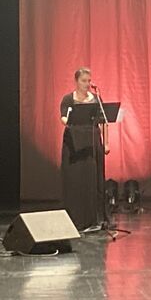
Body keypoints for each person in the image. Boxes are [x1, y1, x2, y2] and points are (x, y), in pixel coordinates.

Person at [59, 67, 110, 231]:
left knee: (93, 179)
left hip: (92, 142)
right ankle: (74, 218)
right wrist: (68, 118)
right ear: (76, 81)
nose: (87, 84)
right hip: (74, 142)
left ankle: (93, 219)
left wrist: (106, 143)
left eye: (89, 80)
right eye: (83, 81)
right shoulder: (68, 99)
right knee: (75, 180)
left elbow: (104, 122)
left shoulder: (96, 99)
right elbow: (64, 118)